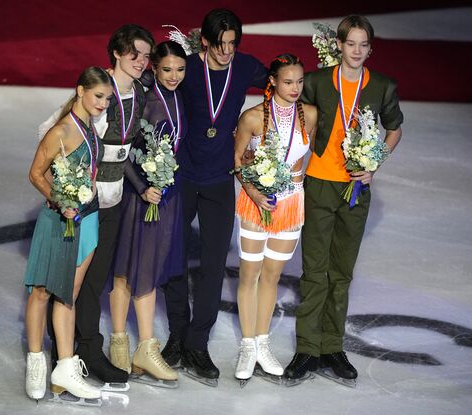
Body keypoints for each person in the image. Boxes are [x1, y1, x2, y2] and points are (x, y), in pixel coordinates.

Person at [283, 15, 403, 387]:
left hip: (356, 189)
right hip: (319, 183)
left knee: (342, 273)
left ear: (370, 48)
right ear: (338, 45)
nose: (356, 51)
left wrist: (375, 163)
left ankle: (332, 347)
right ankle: (307, 347)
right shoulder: (318, 82)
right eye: (350, 43)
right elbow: (294, 120)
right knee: (315, 271)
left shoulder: (382, 86)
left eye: (362, 45)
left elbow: (394, 128)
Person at [161, 8, 268, 387]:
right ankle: (176, 333)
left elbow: (283, 82)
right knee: (172, 254)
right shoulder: (188, 68)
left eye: (233, 43)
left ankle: (197, 341)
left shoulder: (245, 66)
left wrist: (257, 140)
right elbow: (154, 86)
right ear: (204, 41)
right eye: (220, 44)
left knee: (212, 262)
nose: (227, 51)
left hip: (221, 178)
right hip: (182, 175)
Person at [73, 24, 159, 390]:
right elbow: (74, 136)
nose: (141, 61)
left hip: (115, 197)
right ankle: (77, 350)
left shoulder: (139, 92)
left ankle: (85, 348)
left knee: (96, 278)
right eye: (134, 54)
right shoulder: (99, 89)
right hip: (86, 198)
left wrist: (143, 183)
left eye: (145, 55)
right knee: (78, 278)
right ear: (117, 54)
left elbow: (128, 145)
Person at [24, 66, 112, 404]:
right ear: (80, 91)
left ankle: (64, 366)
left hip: (87, 219)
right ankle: (36, 361)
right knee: (43, 292)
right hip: (58, 222)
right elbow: (35, 173)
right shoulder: (61, 131)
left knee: (69, 294)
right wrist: (60, 201)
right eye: (98, 96)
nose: (103, 103)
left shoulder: (90, 125)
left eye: (106, 98)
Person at [106, 41, 188, 389]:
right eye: (167, 69)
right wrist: (142, 187)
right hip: (137, 198)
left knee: (151, 269)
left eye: (180, 70)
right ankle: (119, 344)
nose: (173, 76)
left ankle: (145, 348)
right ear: (154, 67)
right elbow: (122, 151)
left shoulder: (179, 98)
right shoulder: (144, 100)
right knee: (125, 269)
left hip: (165, 198)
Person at [233, 54, 316, 386]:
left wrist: (294, 186)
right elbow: (238, 162)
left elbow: (309, 158)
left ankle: (263, 345)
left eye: (299, 81)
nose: (295, 88)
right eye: (287, 82)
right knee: (249, 275)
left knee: (272, 276)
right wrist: (254, 192)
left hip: (292, 205)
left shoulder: (310, 115)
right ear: (272, 82)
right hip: (256, 203)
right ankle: (246, 346)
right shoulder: (252, 118)